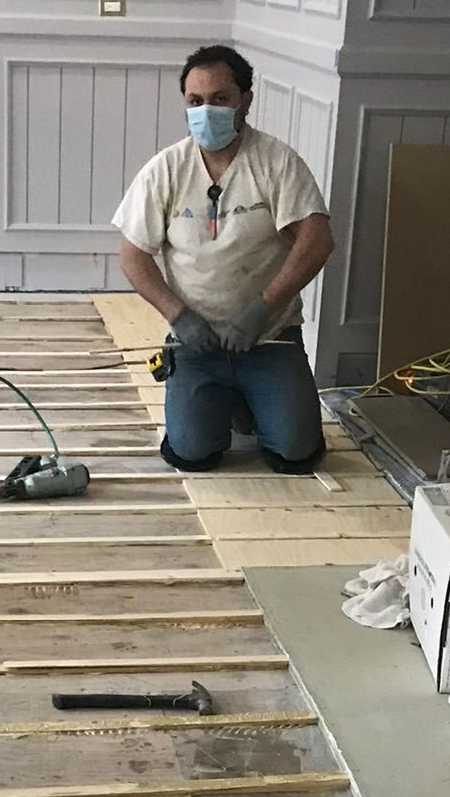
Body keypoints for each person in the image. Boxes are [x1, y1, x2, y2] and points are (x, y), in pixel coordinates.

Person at [112, 43, 335, 475]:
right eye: (195, 102)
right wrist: (180, 318)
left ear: (245, 101)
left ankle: (252, 401)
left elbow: (316, 240)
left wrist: (262, 309)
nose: (206, 111)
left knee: (295, 453)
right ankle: (226, 403)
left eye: (220, 99)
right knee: (192, 454)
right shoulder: (166, 169)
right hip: (196, 343)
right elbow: (133, 256)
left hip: (269, 338)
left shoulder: (277, 163)